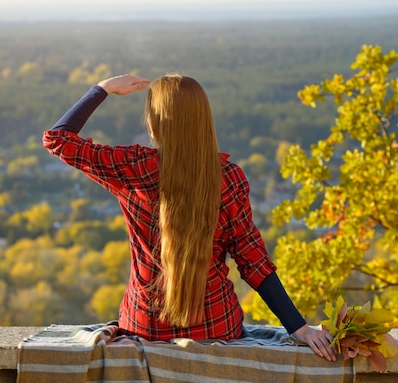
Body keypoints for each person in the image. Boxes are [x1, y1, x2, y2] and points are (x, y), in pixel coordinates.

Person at [43, 73, 337, 361]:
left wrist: (102, 88)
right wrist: (298, 328)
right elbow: (253, 261)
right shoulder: (228, 179)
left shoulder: (134, 167)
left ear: (155, 122)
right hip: (218, 329)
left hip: (145, 328)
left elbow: (57, 138)